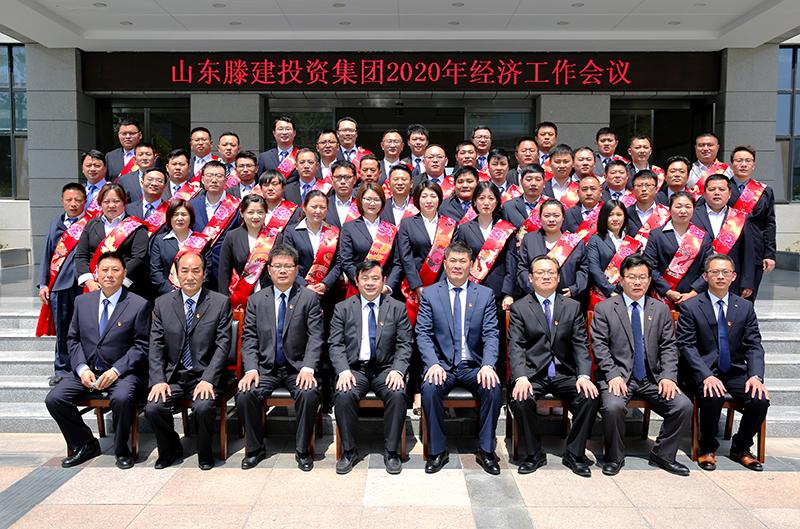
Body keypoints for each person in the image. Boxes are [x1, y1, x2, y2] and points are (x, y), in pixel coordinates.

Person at [45, 252, 150, 469]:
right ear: (96, 273)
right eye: (104, 270)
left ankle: (121, 450)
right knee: (55, 399)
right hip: (88, 370)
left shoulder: (138, 304)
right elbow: (73, 339)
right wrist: (82, 368)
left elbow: (142, 346)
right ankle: (85, 443)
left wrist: (117, 370)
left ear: (124, 273)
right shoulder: (82, 301)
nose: (110, 274)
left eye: (115, 270)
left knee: (122, 397)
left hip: (123, 372)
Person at [591, 254, 694, 476]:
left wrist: (668, 376)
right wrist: (612, 374)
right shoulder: (605, 308)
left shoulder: (661, 309)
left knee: (683, 405)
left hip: (652, 378)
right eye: (632, 277)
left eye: (642, 277)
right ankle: (614, 457)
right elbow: (599, 346)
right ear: (621, 279)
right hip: (618, 376)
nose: (637, 282)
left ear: (649, 280)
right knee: (613, 407)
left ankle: (663, 455)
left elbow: (669, 346)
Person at [677, 254, 770, 471]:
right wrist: (706, 375)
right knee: (713, 393)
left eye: (725, 272)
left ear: (733, 276)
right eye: (715, 272)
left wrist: (755, 376)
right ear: (705, 276)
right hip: (702, 371)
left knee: (759, 398)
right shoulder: (691, 306)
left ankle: (741, 447)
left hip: (734, 371)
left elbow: (754, 345)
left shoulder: (744, 307)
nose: (720, 276)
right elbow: (687, 346)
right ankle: (707, 448)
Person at [508, 256, 599, 476]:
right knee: (520, 399)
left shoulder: (572, 307)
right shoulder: (520, 307)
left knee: (590, 397)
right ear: (531, 278)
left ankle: (574, 453)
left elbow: (581, 345)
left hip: (564, 372)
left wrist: (584, 376)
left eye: (551, 272)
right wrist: (521, 377)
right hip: (533, 373)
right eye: (540, 273)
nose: (546, 276)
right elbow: (516, 346)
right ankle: (534, 453)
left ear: (558, 277)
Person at [416, 241, 502, 475]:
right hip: (442, 366)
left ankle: (486, 449)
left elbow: (491, 333)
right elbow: (423, 333)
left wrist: (488, 365)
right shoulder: (430, 293)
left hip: (473, 366)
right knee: (430, 388)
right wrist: (432, 364)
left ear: (471, 265)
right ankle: (437, 450)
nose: (457, 265)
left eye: (462, 261)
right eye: (452, 260)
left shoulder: (484, 294)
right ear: (444, 264)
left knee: (493, 387)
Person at [237, 245, 323, 471]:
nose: (282, 271)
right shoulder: (256, 300)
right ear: (269, 270)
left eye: (287, 266)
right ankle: (255, 448)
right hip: (266, 368)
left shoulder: (309, 298)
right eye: (277, 266)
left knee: (308, 393)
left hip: (297, 368)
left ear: (296, 269)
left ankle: (302, 450)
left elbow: (315, 337)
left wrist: (308, 368)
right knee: (245, 393)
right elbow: (249, 338)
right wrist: (251, 369)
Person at [146, 253, 232, 470]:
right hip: (174, 376)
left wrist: (209, 379)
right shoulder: (163, 303)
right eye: (184, 270)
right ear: (176, 274)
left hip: (205, 375)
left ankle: (205, 452)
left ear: (204, 273)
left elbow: (223, 346)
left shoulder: (220, 302)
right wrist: (158, 380)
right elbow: (156, 346)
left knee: (203, 406)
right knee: (154, 407)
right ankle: (170, 448)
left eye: (196, 270)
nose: (190, 276)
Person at [329, 260, 414, 474]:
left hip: (386, 369)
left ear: (383, 281)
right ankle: (349, 451)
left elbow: (405, 344)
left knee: (397, 393)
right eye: (365, 278)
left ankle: (391, 451)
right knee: (344, 394)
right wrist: (343, 371)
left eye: (375, 278)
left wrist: (398, 370)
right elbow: (335, 344)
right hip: (354, 369)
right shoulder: (342, 308)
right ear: (356, 281)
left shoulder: (397, 307)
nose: (370, 283)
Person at [37, 183, 88, 386]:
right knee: (63, 329)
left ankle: (85, 367)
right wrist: (43, 284)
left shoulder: (91, 223)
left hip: (84, 284)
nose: (73, 204)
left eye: (78, 200)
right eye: (69, 200)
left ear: (85, 201)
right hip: (59, 285)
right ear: (62, 201)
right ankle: (62, 369)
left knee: (86, 328)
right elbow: (47, 255)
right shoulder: (54, 225)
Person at [219, 193, 296, 310]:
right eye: (250, 212)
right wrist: (224, 302)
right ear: (242, 213)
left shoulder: (276, 237)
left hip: (270, 296)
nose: (256, 216)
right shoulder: (232, 236)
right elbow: (224, 271)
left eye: (260, 212)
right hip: (240, 297)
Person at [74, 183, 149, 298]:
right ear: (100, 203)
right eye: (106, 201)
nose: (111, 205)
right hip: (94, 287)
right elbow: (81, 256)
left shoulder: (137, 227)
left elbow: (138, 258)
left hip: (126, 288)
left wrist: (115, 280)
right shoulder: (91, 225)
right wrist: (89, 281)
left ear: (124, 202)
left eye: (116, 201)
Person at [643, 191, 713, 308]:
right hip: (662, 298)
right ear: (670, 209)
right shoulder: (656, 235)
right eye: (678, 206)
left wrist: (693, 293)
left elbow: (709, 268)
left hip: (695, 298)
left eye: (688, 207)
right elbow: (649, 267)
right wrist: (667, 291)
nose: (683, 211)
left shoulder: (703, 236)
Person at [691, 174, 755, 298]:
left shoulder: (739, 218)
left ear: (730, 194)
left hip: (729, 280)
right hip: (696, 278)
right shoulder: (692, 215)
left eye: (722, 189)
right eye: (712, 189)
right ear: (704, 193)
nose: (717, 193)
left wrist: (747, 282)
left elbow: (747, 252)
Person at [728, 146, 776, 301]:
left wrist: (769, 254)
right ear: (731, 165)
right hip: (728, 247)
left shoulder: (765, 191)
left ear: (753, 165)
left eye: (748, 161)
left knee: (748, 297)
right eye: (739, 160)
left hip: (755, 250)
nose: (743, 164)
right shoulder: (722, 188)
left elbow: (769, 223)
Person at [517, 198, 588, 303]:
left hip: (567, 300)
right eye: (546, 216)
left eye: (556, 215)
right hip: (535, 300)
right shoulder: (529, 239)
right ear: (540, 217)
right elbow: (522, 268)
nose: (551, 219)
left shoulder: (575, 242)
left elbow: (583, 270)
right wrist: (535, 290)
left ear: (563, 217)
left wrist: (574, 289)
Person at [338, 183, 402, 297]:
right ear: (360, 200)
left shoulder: (391, 229)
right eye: (368, 199)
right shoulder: (349, 228)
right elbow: (346, 261)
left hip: (384, 292)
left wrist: (387, 287)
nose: (372, 203)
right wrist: (362, 284)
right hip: (358, 290)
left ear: (382, 202)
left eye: (376, 199)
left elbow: (397, 263)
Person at [189, 160, 241, 290]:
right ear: (202, 179)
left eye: (219, 176)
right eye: (209, 175)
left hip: (226, 267)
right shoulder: (191, 205)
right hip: (197, 266)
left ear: (226, 180)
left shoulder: (236, 206)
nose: (214, 180)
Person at [586, 200, 641, 309]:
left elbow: (636, 270)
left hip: (627, 295)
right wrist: (611, 291)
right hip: (602, 296)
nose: (615, 219)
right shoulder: (595, 240)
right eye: (610, 215)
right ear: (604, 217)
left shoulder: (633, 243)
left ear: (624, 217)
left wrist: (624, 291)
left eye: (619, 214)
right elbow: (594, 268)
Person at [150, 199, 209, 296]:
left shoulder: (201, 240)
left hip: (196, 294)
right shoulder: (160, 241)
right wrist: (173, 293)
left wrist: (193, 292)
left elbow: (207, 270)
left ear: (191, 217)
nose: (180, 218)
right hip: (168, 295)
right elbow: (156, 272)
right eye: (175, 214)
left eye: (184, 214)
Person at [626, 170, 670, 250]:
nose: (644, 189)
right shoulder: (625, 214)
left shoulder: (667, 214)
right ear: (633, 190)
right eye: (639, 185)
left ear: (656, 189)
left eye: (648, 185)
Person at [501, 164, 547, 229]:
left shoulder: (552, 206)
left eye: (538, 179)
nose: (533, 183)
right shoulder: (508, 207)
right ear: (521, 182)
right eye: (529, 179)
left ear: (544, 183)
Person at [257, 117, 299, 182]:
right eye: (280, 129)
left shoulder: (301, 155)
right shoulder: (264, 157)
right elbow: (259, 181)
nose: (284, 132)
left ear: (294, 133)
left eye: (288, 129)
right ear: (274, 133)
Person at [106, 118, 143, 182]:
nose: (128, 137)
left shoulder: (150, 157)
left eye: (132, 133)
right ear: (119, 135)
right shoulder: (110, 157)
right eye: (124, 133)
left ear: (140, 135)